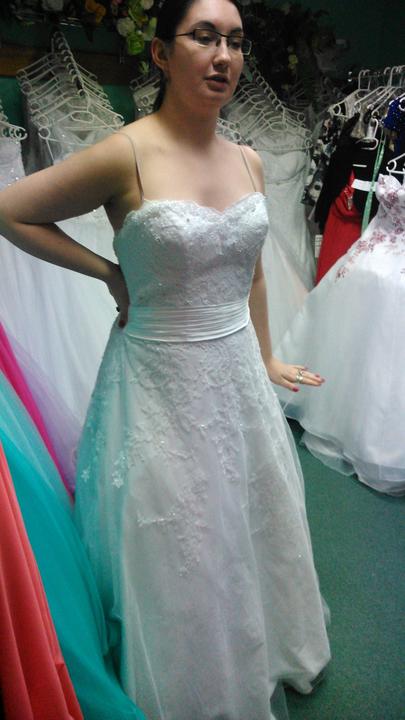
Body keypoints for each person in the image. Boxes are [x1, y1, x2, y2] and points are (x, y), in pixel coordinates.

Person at [0, 0, 330, 717]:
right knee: (176, 532)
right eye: (203, 37)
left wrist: (267, 359)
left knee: (245, 514)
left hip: (235, 374)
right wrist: (107, 271)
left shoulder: (246, 159)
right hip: (156, 378)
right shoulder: (127, 152)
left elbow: (251, 274)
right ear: (160, 54)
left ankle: (258, 646)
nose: (223, 57)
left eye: (235, 42)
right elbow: (12, 211)